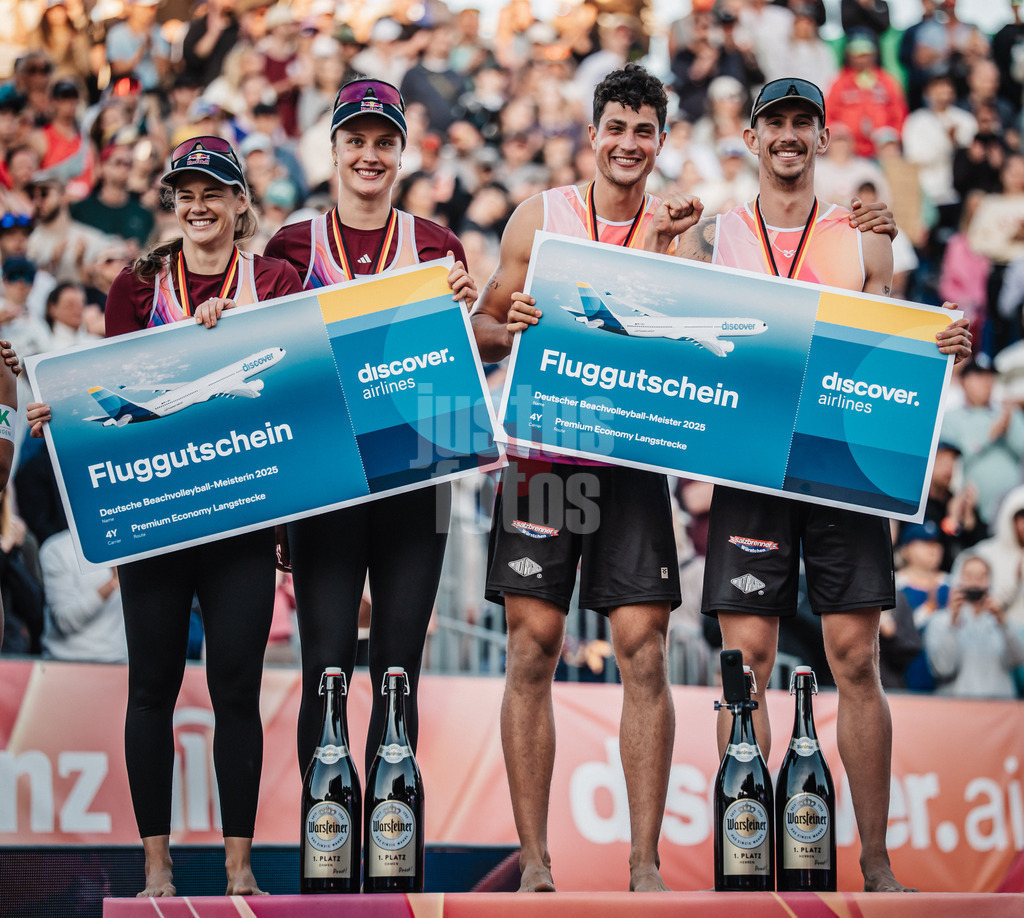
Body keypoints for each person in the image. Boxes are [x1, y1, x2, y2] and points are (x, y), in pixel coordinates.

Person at [471, 62, 899, 895]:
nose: (628, 144)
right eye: (616, 129)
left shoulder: (696, 236)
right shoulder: (541, 217)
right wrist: (505, 325)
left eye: (644, 131)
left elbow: (716, 356)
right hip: (548, 458)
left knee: (644, 652)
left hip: (632, 466)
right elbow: (485, 323)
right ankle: (536, 866)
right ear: (592, 135)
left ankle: (643, 867)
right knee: (532, 646)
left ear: (663, 143)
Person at [647, 76, 972, 892]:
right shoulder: (712, 235)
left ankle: (876, 863)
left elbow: (888, 353)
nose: (789, 135)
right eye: (774, 123)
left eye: (803, 123)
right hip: (750, 469)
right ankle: (746, 859)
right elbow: (667, 335)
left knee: (855, 657)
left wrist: (942, 345)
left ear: (823, 139)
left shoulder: (863, 236)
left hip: (835, 466)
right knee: (741, 665)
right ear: (751, 138)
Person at [28, 136, 302, 897]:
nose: (198, 204)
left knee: (236, 690)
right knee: (150, 686)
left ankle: (240, 866)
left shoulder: (274, 280)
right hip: (158, 516)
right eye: (184, 192)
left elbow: (298, 383)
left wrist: (240, 331)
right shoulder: (136, 288)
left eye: (214, 191)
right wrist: (68, 418)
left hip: (243, 517)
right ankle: (156, 867)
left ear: (241, 203)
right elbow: (109, 391)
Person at [262, 79, 477, 780]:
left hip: (417, 480)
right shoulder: (291, 245)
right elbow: (272, 375)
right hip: (326, 488)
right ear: (332, 150)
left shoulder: (437, 244)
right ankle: (321, 842)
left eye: (385, 142)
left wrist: (468, 317)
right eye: (356, 140)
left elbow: (460, 370)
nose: (370, 155)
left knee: (398, 669)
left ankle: (392, 844)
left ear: (403, 154)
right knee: (325, 665)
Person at [925, 553, 1024, 698]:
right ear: (957, 579)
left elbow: (1019, 660)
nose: (975, 583)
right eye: (968, 576)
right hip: (958, 708)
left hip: (1000, 710)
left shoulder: (1003, 622)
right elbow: (942, 669)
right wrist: (953, 621)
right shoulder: (939, 621)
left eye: (982, 577)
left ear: (991, 581)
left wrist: (1002, 622)